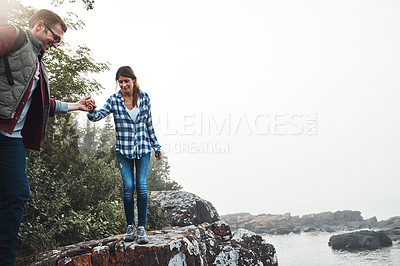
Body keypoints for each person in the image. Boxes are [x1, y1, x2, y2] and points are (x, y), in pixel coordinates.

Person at [0, 9, 95, 265]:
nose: (56, 43)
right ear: (40, 26)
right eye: (56, 37)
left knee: (18, 193)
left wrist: (76, 105)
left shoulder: (39, 64)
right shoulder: (13, 36)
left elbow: (41, 105)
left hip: (12, 140)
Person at [87, 66, 161, 244]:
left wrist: (156, 146)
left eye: (126, 81)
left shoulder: (144, 98)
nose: (123, 84)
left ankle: (142, 228)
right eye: (120, 82)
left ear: (133, 80)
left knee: (141, 187)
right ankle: (130, 226)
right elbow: (98, 115)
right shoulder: (114, 100)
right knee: (128, 188)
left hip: (143, 149)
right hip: (124, 151)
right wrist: (90, 110)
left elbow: (149, 124)